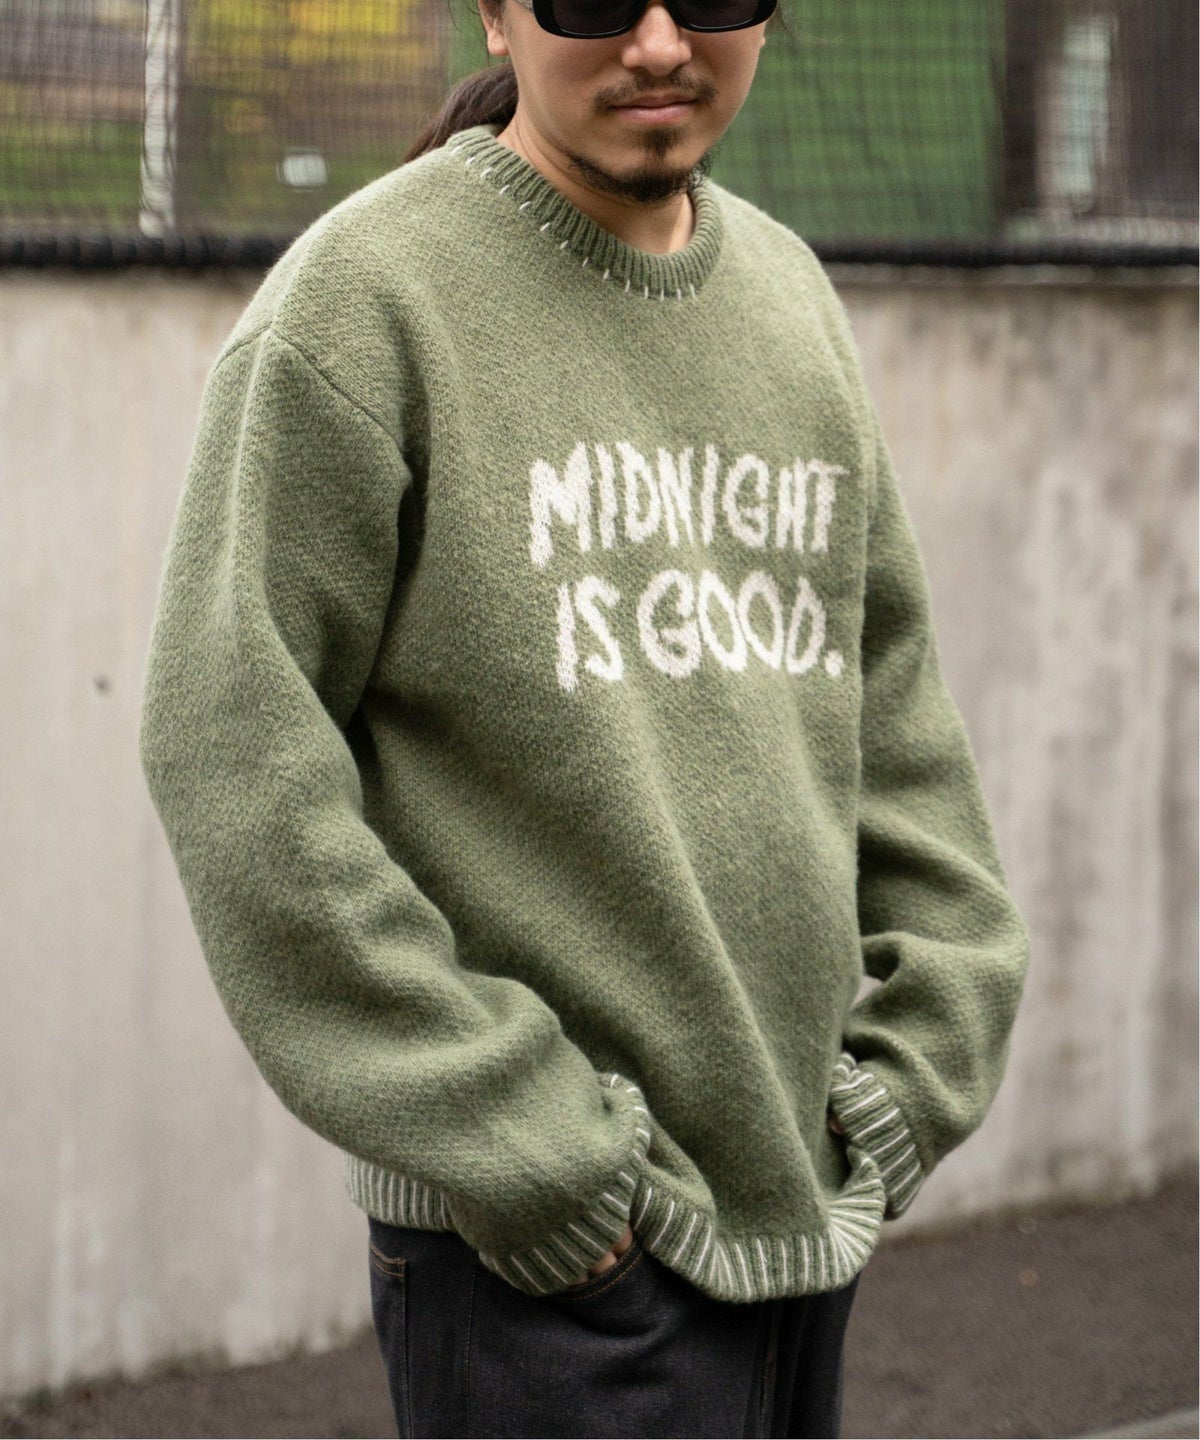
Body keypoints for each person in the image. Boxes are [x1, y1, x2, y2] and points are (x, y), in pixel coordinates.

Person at [138, 0, 1031, 1434]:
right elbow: (233, 749)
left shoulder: (790, 295)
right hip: (550, 1262)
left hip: (807, 1213)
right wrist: (533, 1151)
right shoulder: (365, 301)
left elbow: (892, 705)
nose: (662, 42)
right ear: (495, 13)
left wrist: (916, 1068)